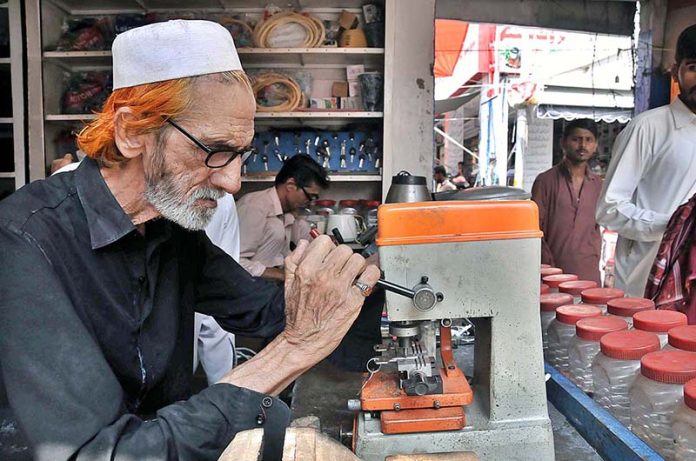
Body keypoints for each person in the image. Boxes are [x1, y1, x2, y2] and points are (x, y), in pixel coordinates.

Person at [0, 20, 380, 461]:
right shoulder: (23, 241)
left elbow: (265, 310)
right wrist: (290, 352)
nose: (234, 182)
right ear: (132, 132)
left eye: (241, 154)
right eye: (214, 150)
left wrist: (351, 282)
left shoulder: (170, 229)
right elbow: (101, 453)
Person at [51, 157, 241, 386]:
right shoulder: (214, 197)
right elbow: (216, 324)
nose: (233, 181)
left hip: (95, 385)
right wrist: (225, 391)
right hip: (147, 386)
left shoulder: (67, 185)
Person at [595, 24, 696, 296]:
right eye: (694, 68)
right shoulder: (647, 128)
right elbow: (609, 209)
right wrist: (674, 226)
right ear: (676, 72)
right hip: (646, 283)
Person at [532, 119, 603, 283]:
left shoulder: (598, 185)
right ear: (563, 142)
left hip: (589, 273)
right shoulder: (545, 181)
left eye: (588, 140)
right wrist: (546, 264)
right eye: (576, 139)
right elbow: (534, 228)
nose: (582, 145)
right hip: (552, 273)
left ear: (595, 145)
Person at [236, 154, 329, 281]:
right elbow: (234, 262)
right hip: (250, 289)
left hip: (273, 287)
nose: (311, 202)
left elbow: (308, 243)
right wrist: (282, 275)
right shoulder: (254, 207)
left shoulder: (290, 214)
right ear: (290, 185)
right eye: (309, 196)